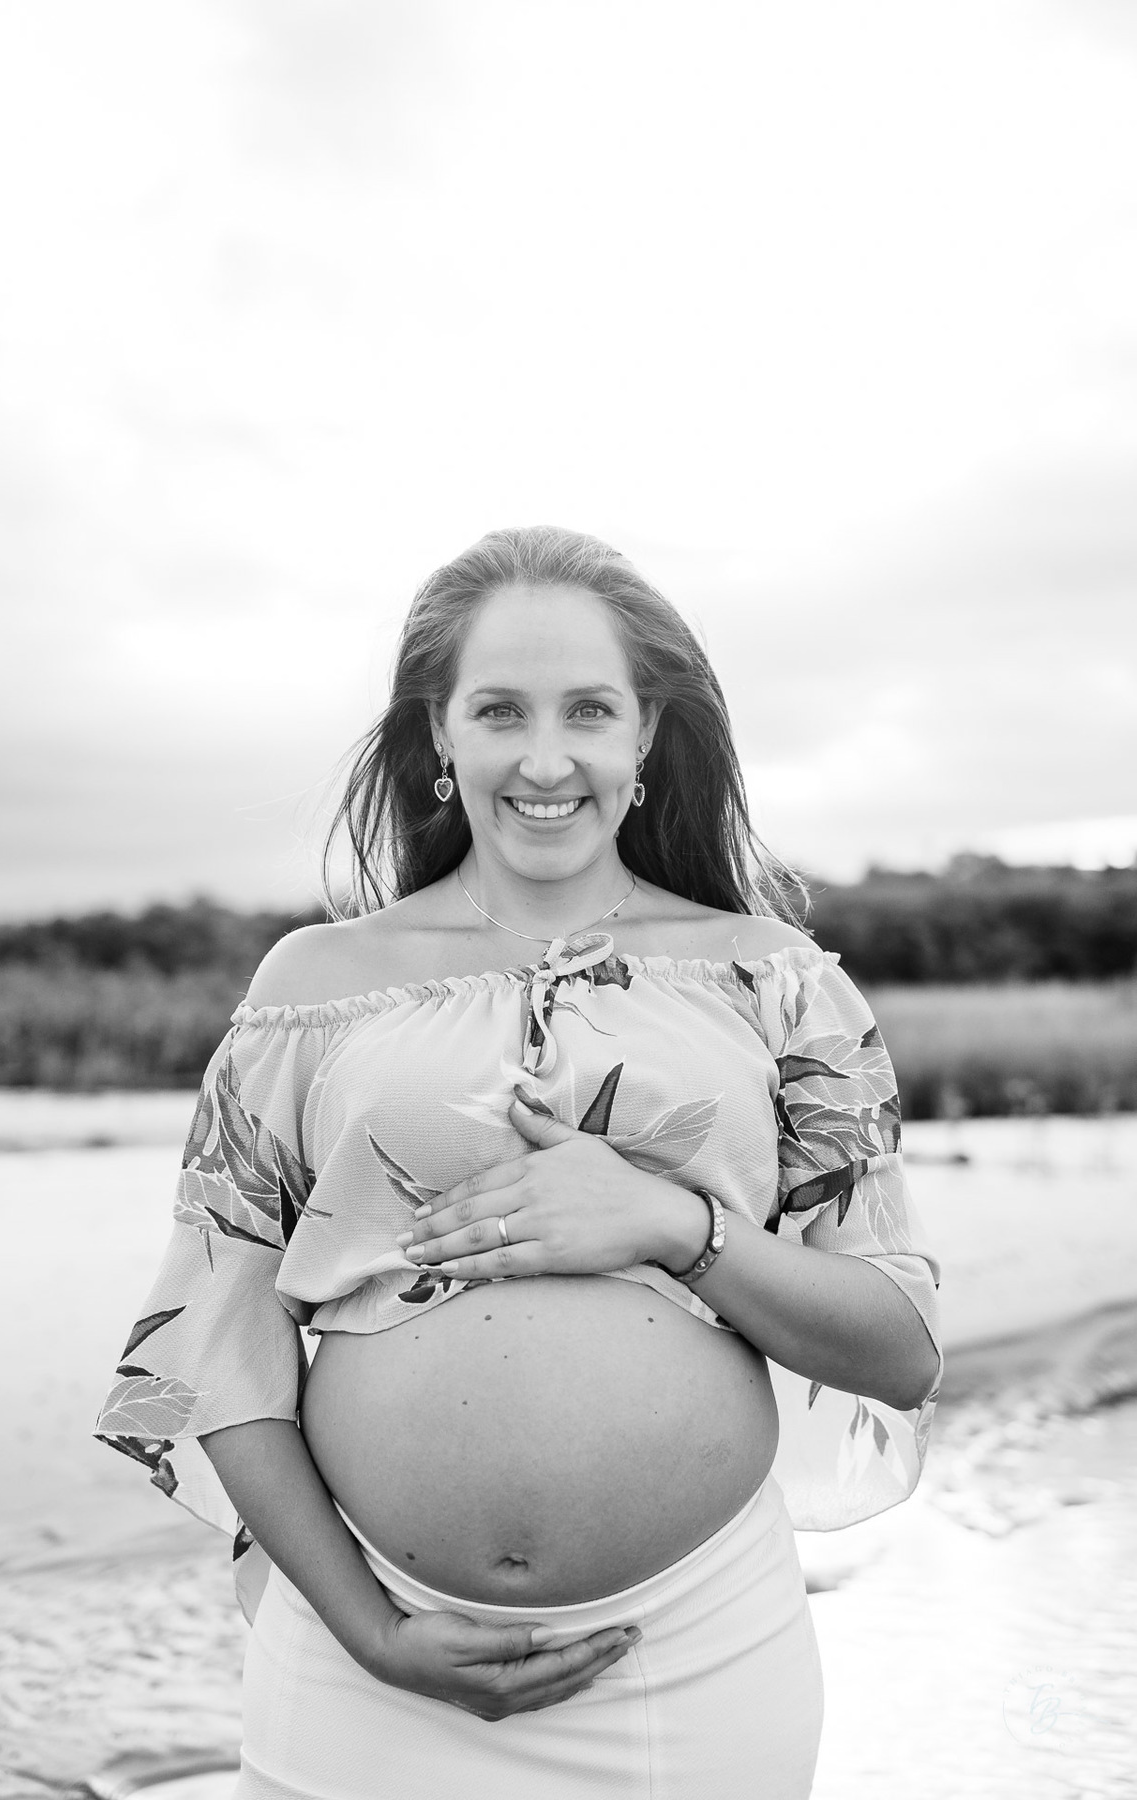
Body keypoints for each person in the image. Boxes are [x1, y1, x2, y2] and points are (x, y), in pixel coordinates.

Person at [95, 525, 943, 1799]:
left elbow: (902, 1348)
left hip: (691, 1662)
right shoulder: (308, 990)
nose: (547, 759)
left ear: (647, 737)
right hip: (362, 1664)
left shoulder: (778, 983)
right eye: (500, 711)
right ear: (438, 737)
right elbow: (213, 1346)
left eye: (589, 710)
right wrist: (369, 1633)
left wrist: (677, 1228)